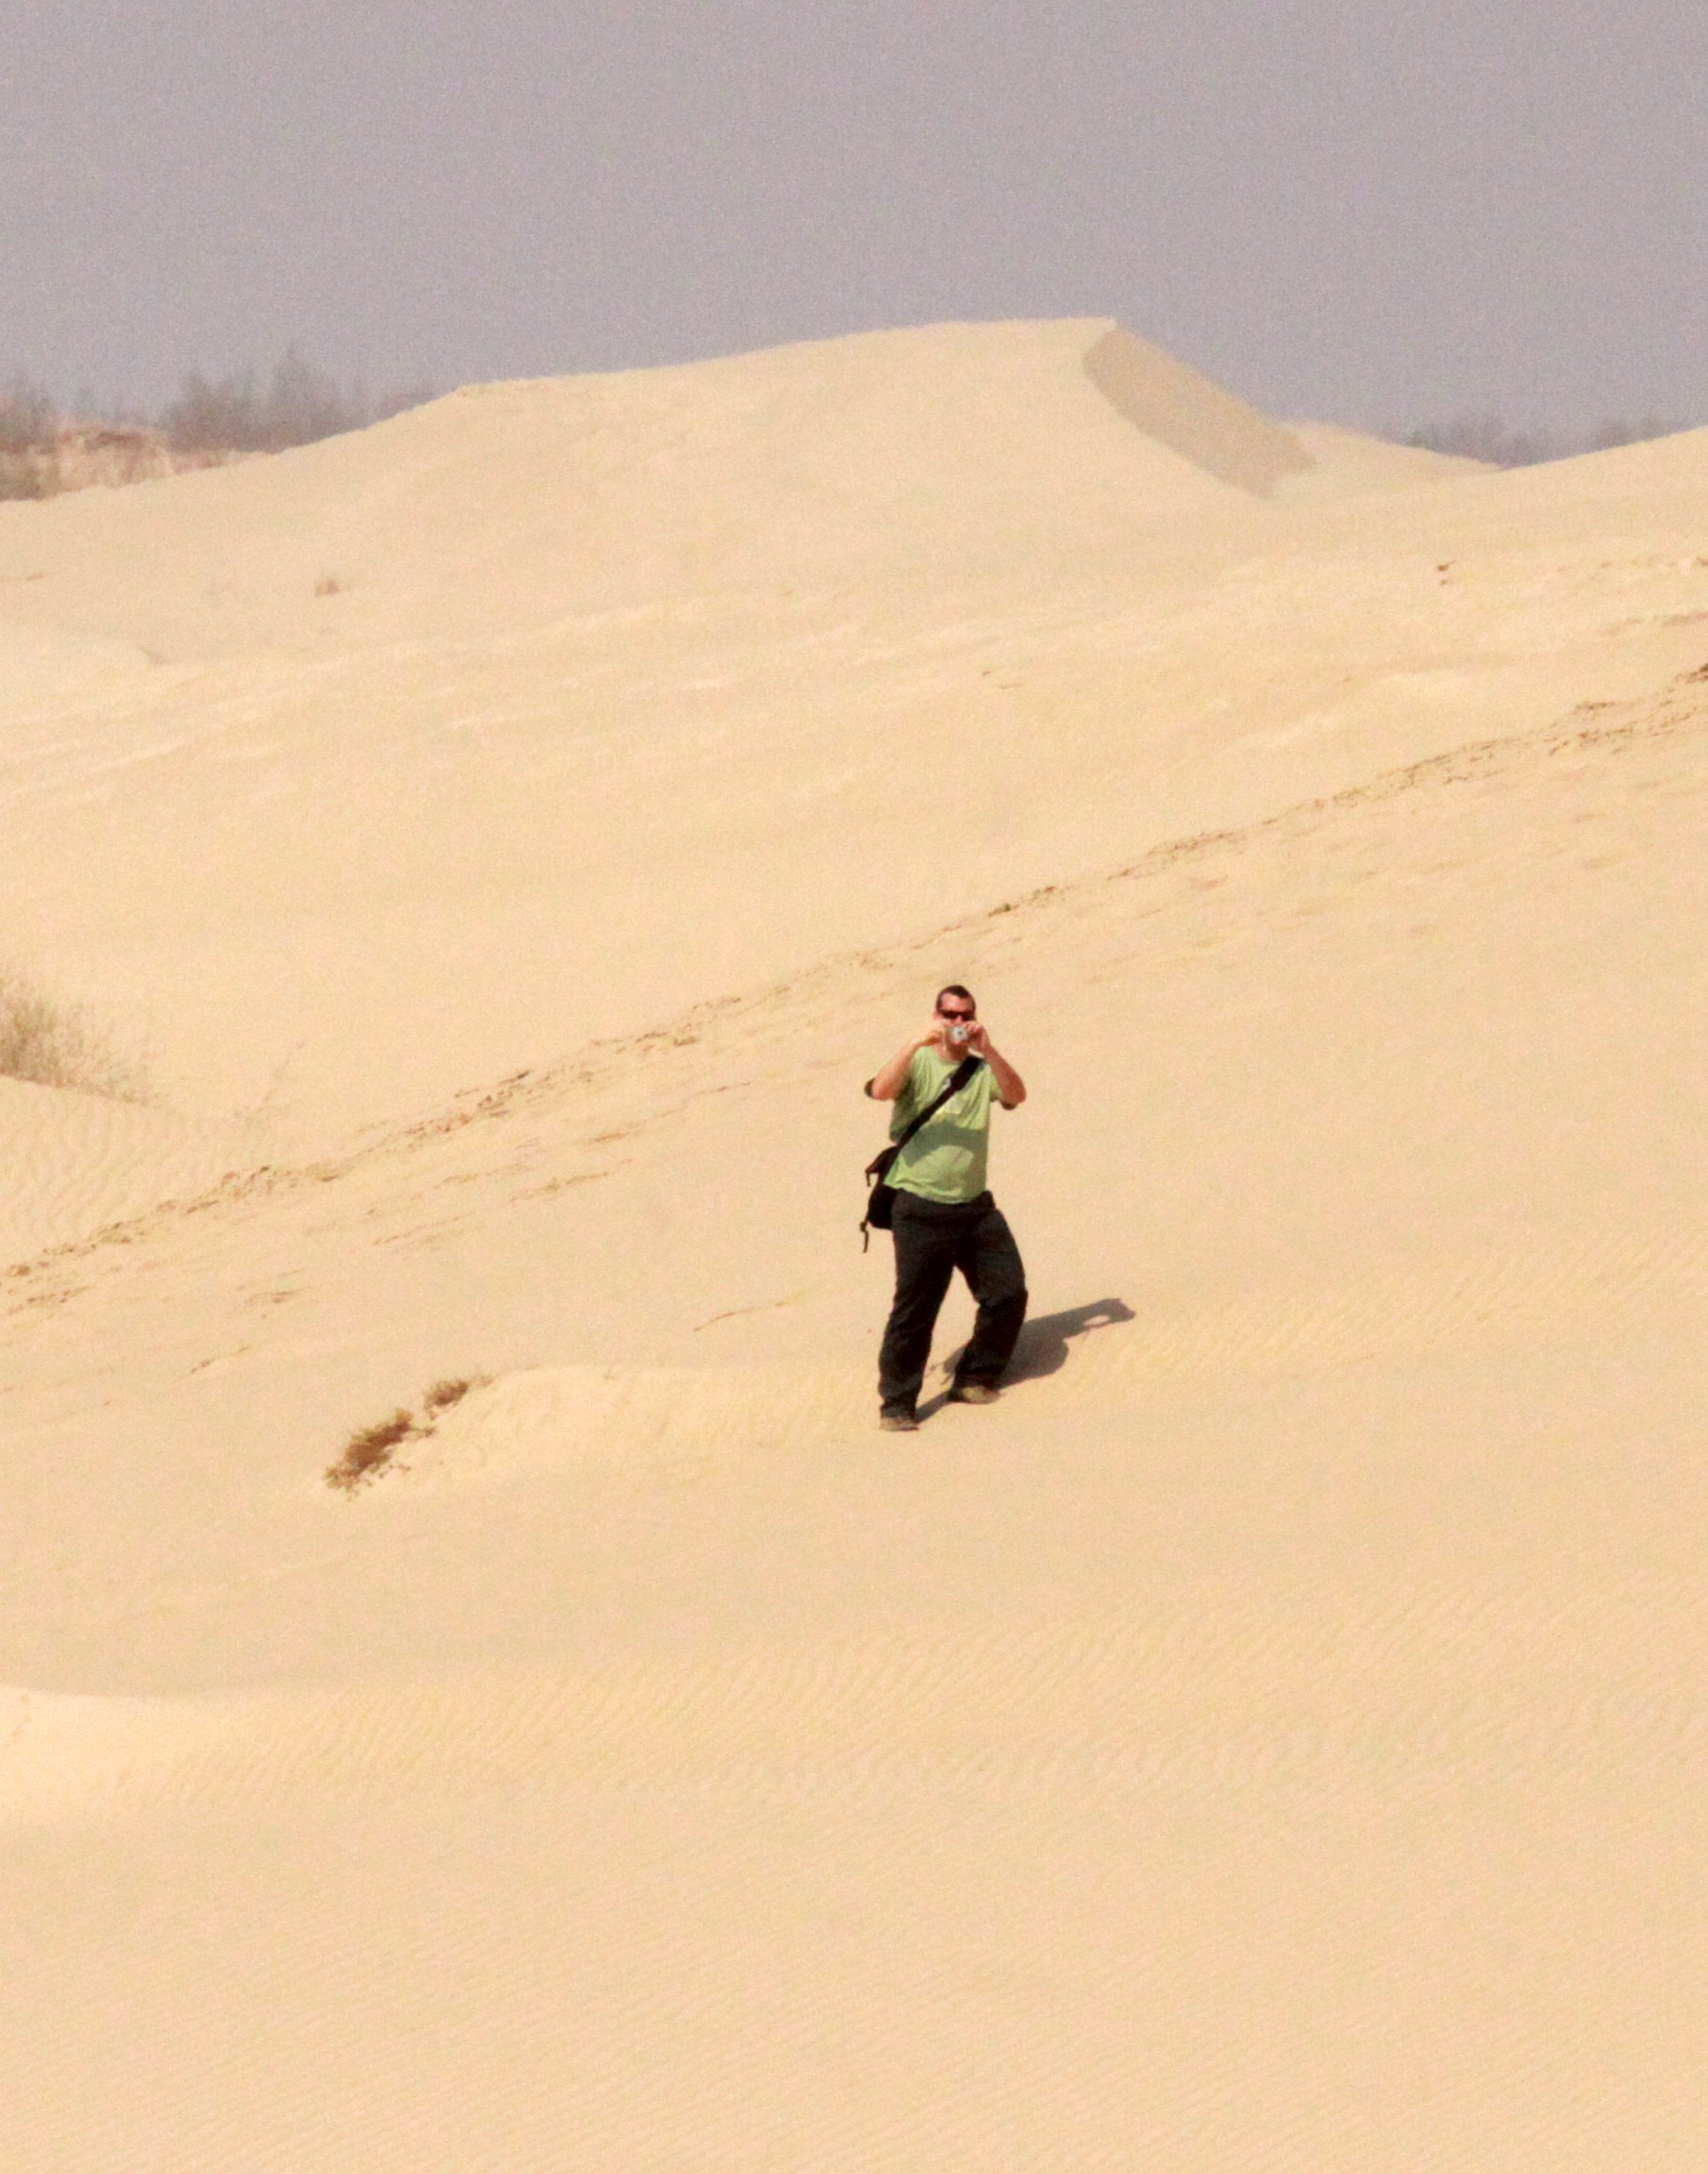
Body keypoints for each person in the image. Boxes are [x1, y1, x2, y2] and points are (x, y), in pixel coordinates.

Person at [865, 984, 1028, 1432]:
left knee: (1007, 1293)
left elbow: (1017, 1095)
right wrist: (917, 1040)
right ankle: (897, 1404)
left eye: (965, 1015)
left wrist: (989, 1050)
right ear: (936, 1015)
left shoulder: (980, 1070)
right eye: (949, 1015)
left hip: (975, 1209)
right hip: (919, 1208)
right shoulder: (917, 1061)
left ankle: (975, 1377)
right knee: (915, 1311)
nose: (957, 1023)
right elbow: (881, 1091)